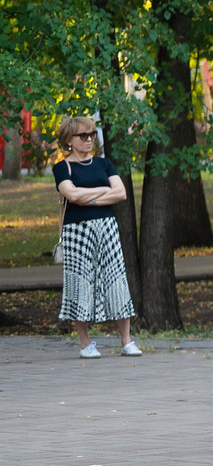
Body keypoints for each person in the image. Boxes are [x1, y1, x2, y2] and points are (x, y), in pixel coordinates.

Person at [51, 116, 137, 358]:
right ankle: (86, 343)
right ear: (69, 140)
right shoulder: (62, 168)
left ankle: (126, 340)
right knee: (79, 282)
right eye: (83, 136)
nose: (89, 139)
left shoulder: (104, 164)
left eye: (92, 134)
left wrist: (91, 196)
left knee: (116, 279)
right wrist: (103, 192)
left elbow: (121, 193)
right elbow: (72, 195)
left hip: (107, 227)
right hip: (77, 231)